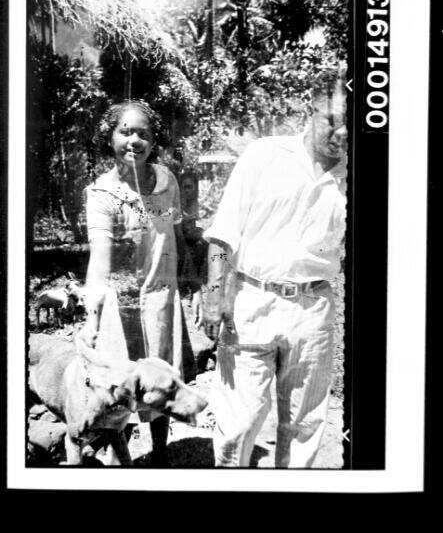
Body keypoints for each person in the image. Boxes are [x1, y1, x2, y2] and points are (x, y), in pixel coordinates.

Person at [202, 79, 347, 468]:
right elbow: (223, 231)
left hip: (313, 309)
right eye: (333, 119)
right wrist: (215, 296)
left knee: (304, 424)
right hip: (252, 301)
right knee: (239, 422)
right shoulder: (265, 155)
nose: (343, 131)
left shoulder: (356, 175)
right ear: (309, 110)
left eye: (352, 122)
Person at [78, 98, 199, 466]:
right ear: (109, 137)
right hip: (122, 307)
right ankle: (122, 463)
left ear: (154, 140)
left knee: (162, 378)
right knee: (125, 388)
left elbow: (177, 237)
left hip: (163, 301)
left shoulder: (168, 182)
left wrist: (190, 284)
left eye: (143, 134)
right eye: (124, 132)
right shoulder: (102, 195)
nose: (134, 141)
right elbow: (99, 261)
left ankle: (160, 455)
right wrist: (92, 316)